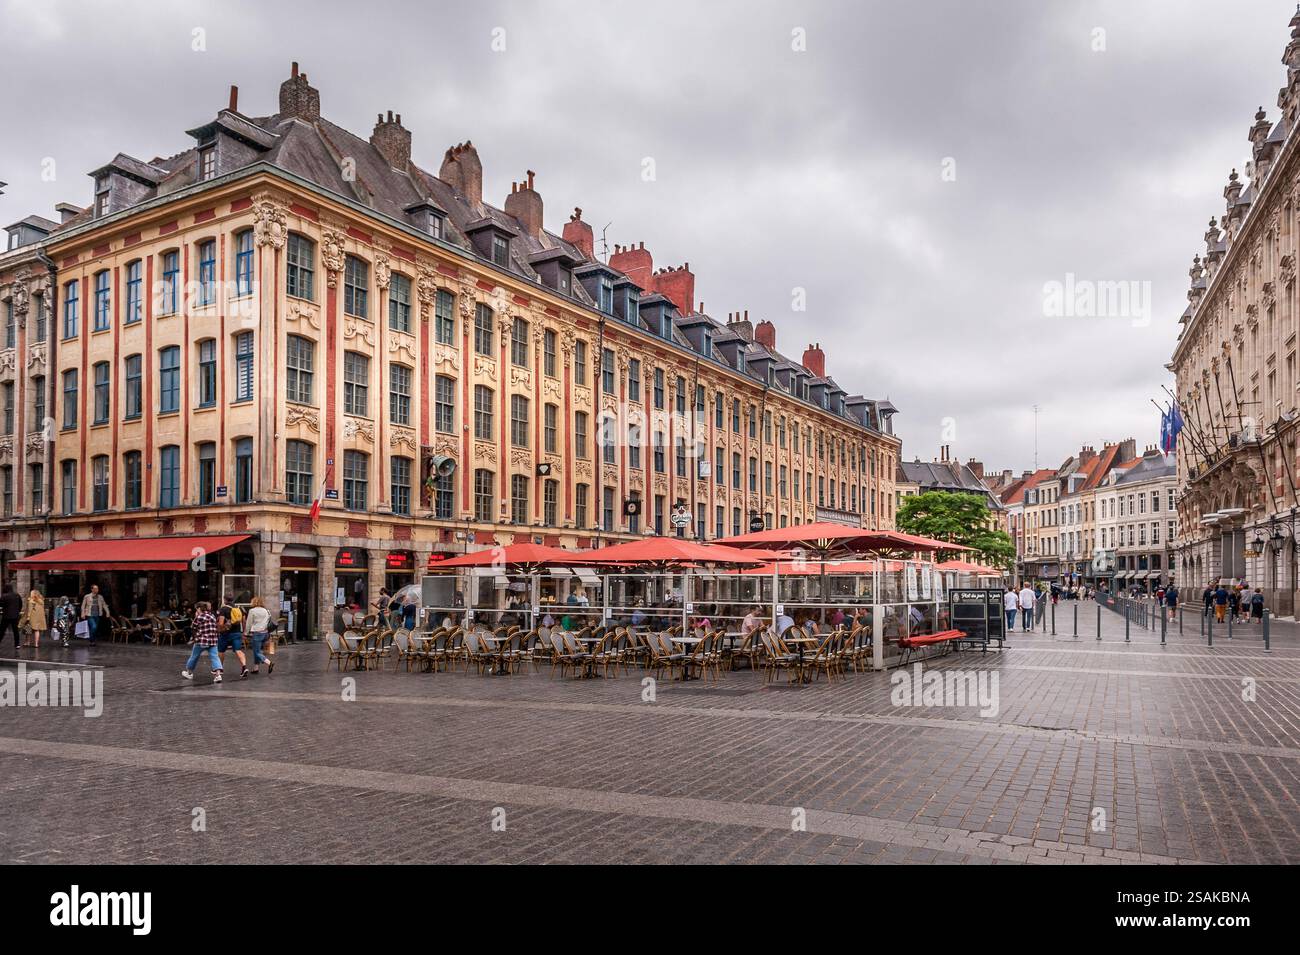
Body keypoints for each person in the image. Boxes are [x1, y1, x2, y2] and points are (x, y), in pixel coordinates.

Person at [182, 602, 223, 684]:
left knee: (194, 656)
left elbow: (193, 628)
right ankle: (218, 675)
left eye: (196, 608)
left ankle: (189, 673)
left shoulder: (199, 617)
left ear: (199, 609)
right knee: (215, 657)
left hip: (201, 640)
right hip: (213, 641)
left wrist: (195, 638)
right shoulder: (212, 616)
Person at [216, 598, 249, 679]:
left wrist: (219, 629)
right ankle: (244, 667)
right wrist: (244, 632)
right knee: (238, 650)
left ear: (225, 600)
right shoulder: (239, 608)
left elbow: (220, 623)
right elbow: (244, 621)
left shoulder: (223, 609)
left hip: (225, 634)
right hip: (237, 633)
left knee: (221, 651)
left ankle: (220, 669)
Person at [245, 596, 274, 675]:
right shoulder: (266, 610)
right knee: (257, 651)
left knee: (257, 652)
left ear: (254, 602)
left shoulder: (252, 611)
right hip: (265, 633)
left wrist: (246, 633)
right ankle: (256, 668)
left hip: (257, 633)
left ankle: (269, 663)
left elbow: (248, 623)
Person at [0, 586, 23, 652]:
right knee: (15, 631)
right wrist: (17, 611)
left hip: (6, 616)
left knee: (2, 630)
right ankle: (17, 644)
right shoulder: (17, 595)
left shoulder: (4, 596)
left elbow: (1, 604)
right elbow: (20, 604)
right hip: (15, 616)